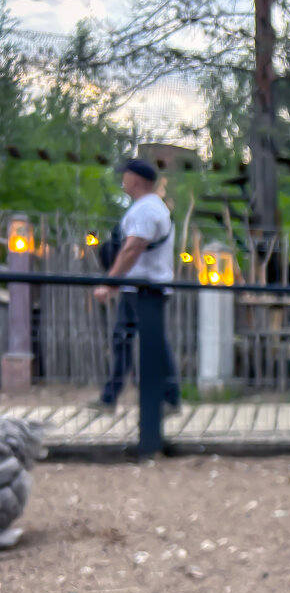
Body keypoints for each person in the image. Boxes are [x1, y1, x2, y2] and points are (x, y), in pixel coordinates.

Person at [89, 159, 181, 415]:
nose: (122, 180)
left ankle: (168, 399)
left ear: (136, 180)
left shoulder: (146, 210)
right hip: (138, 288)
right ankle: (111, 397)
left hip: (144, 290)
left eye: (125, 175)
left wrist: (110, 282)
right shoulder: (148, 207)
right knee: (125, 341)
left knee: (149, 342)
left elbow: (132, 248)